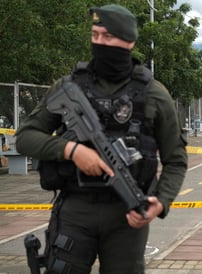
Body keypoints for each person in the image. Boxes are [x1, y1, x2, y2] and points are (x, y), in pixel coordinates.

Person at [15, 4, 187, 274]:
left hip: (127, 216)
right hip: (75, 208)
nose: (99, 43)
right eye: (95, 35)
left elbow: (176, 160)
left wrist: (161, 202)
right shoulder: (69, 87)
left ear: (129, 41)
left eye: (108, 37)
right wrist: (71, 150)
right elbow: (25, 138)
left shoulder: (154, 94)